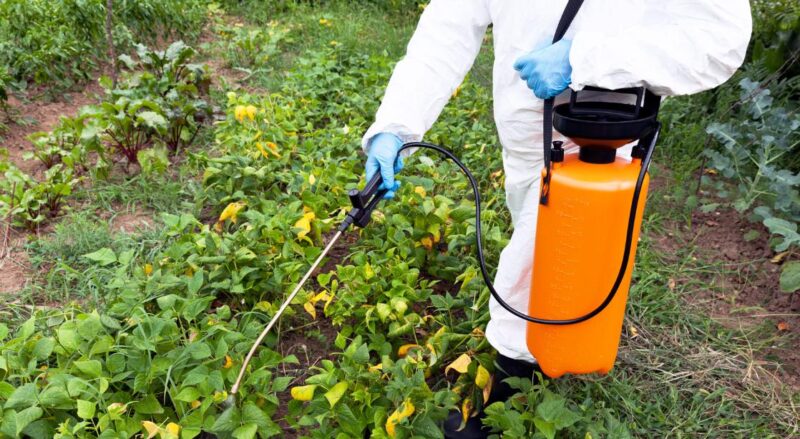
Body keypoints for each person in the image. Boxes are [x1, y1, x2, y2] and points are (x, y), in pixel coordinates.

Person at [362, 1, 752, 436]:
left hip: (601, 125)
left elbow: (720, 40)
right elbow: (447, 28)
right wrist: (396, 125)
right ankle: (548, 347)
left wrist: (583, 56)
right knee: (544, 250)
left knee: (539, 256)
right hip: (524, 127)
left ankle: (507, 402)